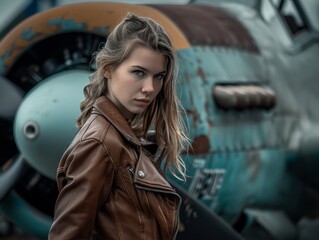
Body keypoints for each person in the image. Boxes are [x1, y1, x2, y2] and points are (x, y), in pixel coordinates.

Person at [48, 13, 189, 240]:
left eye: (159, 76)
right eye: (138, 72)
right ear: (107, 68)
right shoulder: (99, 143)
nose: (150, 88)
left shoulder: (119, 137)